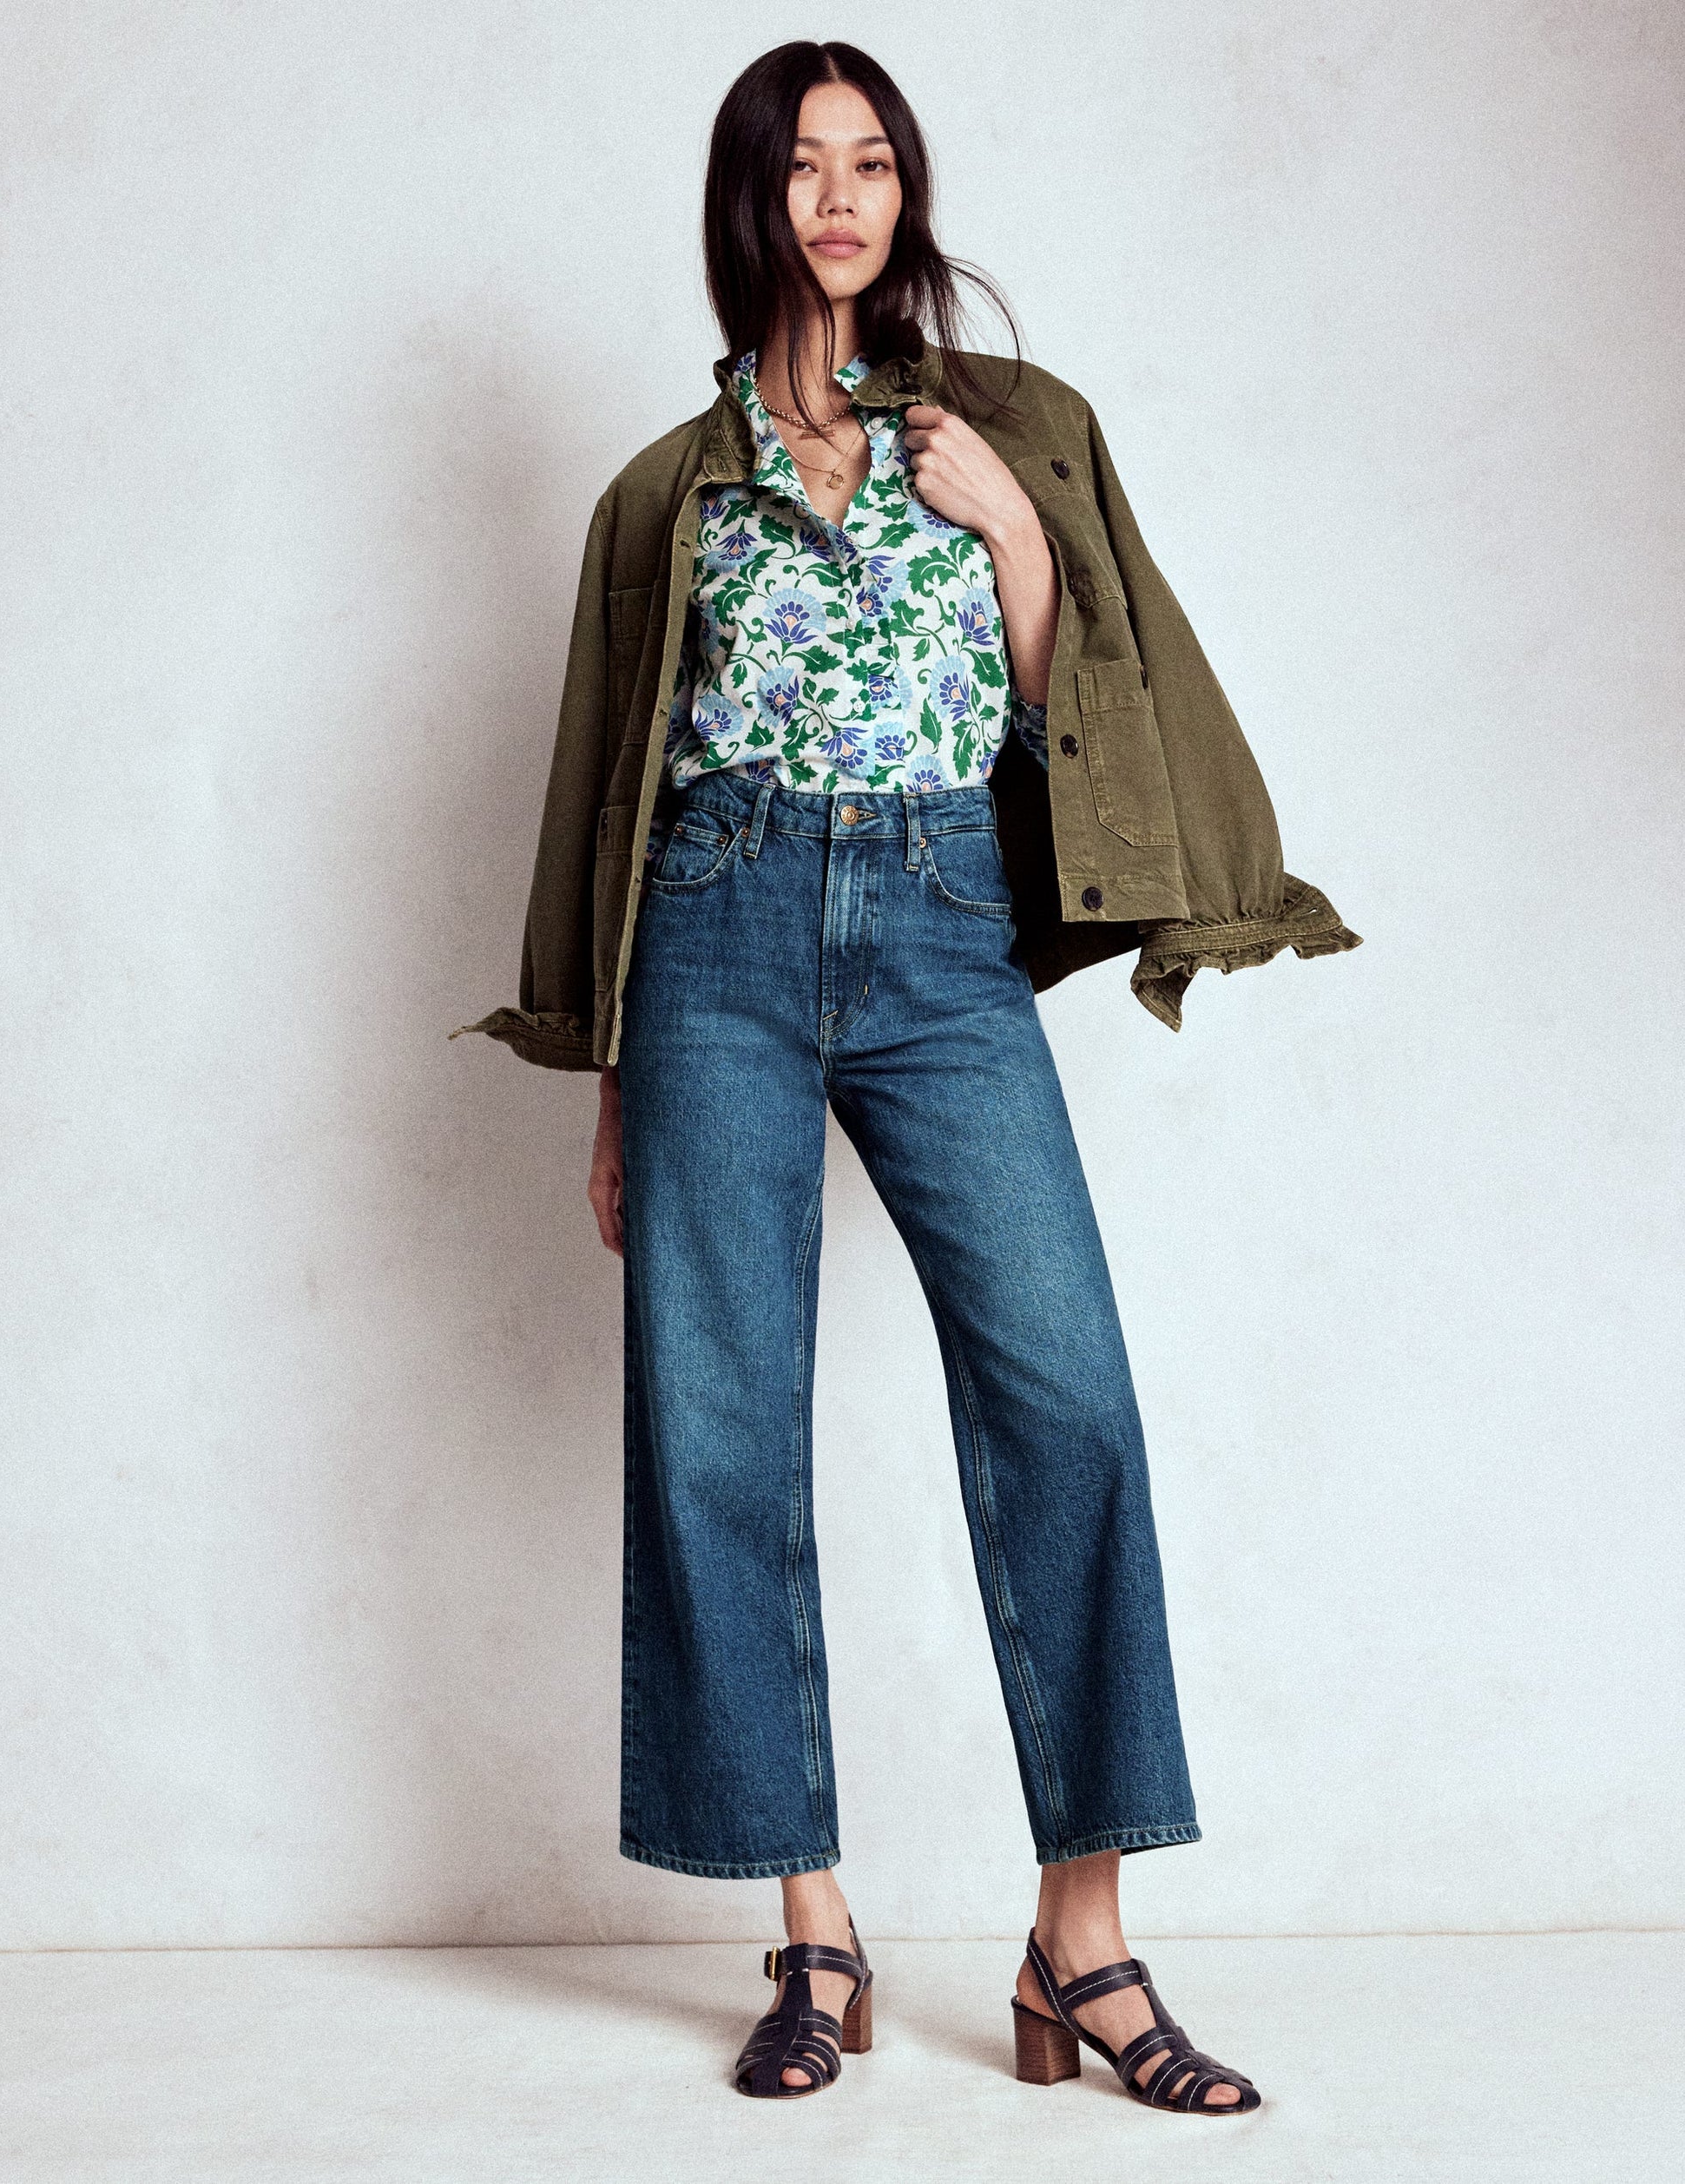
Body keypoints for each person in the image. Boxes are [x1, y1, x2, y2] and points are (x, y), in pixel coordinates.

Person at [456, 38, 1359, 2112]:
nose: (841, 196)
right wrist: (613, 1083)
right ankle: (811, 1928)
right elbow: (612, 795)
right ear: (750, 200)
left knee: (1068, 1395)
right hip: (712, 933)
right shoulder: (662, 493)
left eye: (871, 161)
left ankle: (1081, 1945)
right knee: (719, 1423)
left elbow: (1085, 710)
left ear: (905, 190)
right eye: (803, 165)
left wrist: (1017, 541)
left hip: (943, 927)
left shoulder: (1010, 431)